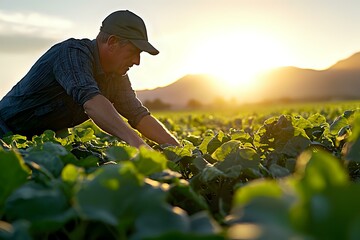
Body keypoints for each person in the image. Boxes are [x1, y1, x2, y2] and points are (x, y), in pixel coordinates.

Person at [0, 10, 180, 149]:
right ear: (112, 42)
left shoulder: (117, 76)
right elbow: (91, 101)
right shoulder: (72, 54)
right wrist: (140, 147)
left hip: (39, 145)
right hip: (4, 133)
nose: (137, 61)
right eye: (133, 52)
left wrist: (181, 152)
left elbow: (138, 115)